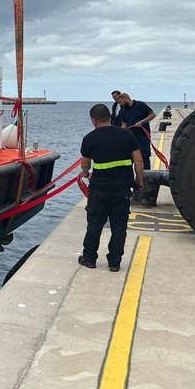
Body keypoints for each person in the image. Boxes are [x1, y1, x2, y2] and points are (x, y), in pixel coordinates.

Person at [79, 104, 144, 271]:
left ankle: (89, 259)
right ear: (109, 117)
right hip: (121, 190)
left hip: (99, 190)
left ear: (93, 120)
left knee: (94, 224)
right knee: (119, 227)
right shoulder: (127, 135)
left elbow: (85, 164)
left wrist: (85, 173)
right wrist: (139, 181)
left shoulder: (89, 139)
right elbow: (138, 161)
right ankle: (114, 262)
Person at [118, 93, 155, 167]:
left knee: (144, 160)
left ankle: (146, 177)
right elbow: (124, 124)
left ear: (125, 99)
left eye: (120, 102)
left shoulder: (140, 105)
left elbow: (152, 114)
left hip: (143, 138)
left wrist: (142, 122)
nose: (120, 104)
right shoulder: (123, 110)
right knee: (129, 160)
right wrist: (120, 131)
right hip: (130, 139)